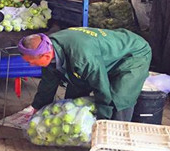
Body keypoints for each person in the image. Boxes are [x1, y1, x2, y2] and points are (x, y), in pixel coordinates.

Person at [18, 27, 152, 121]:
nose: (31, 65)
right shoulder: (49, 46)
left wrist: (102, 120)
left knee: (119, 99)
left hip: (133, 54)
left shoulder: (81, 58)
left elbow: (101, 87)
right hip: (104, 54)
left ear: (46, 56)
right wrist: (37, 108)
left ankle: (115, 139)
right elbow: (48, 83)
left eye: (32, 62)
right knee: (73, 97)